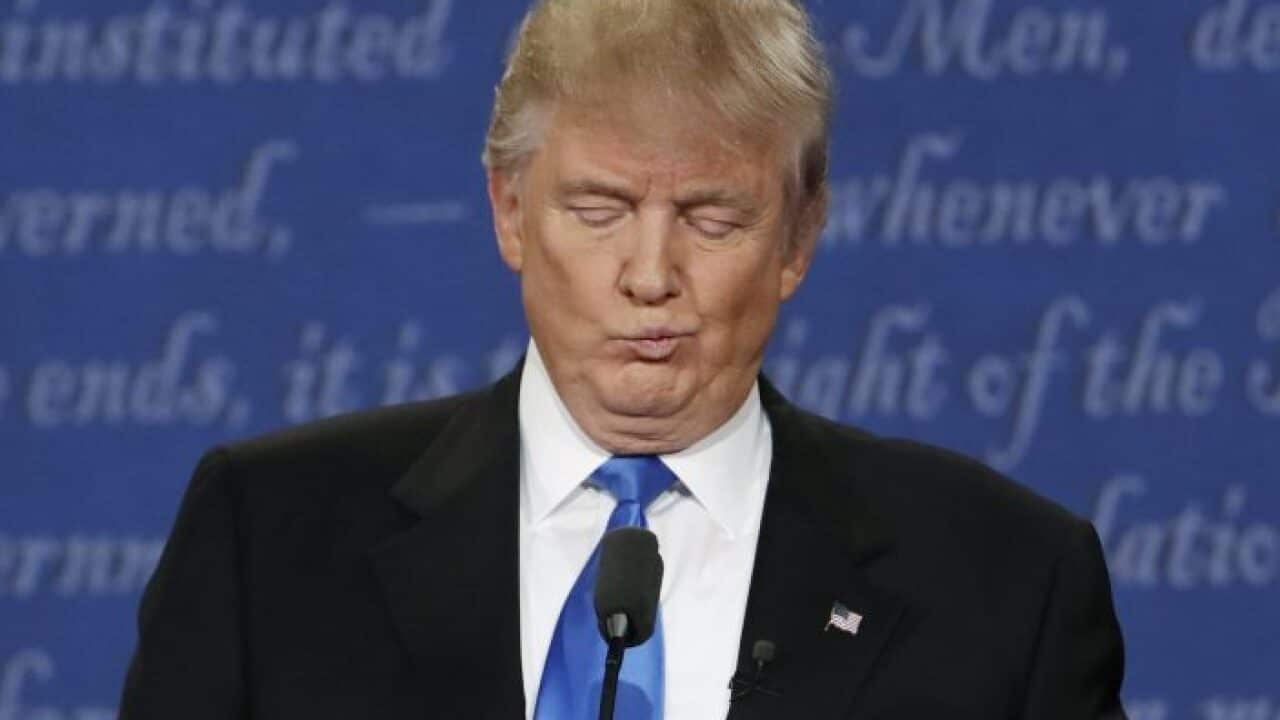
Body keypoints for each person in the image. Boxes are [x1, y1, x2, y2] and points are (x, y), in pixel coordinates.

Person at [119, 0, 1127, 718]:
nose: (650, 273)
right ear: (509, 211)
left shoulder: (1005, 583)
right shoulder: (270, 541)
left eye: (711, 217)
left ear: (797, 238)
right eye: (597, 210)